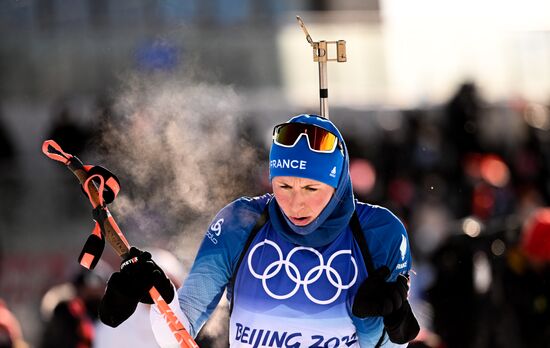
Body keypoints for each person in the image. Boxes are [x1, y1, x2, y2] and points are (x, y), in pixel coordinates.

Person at [99, 114, 420, 347]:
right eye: (284, 186)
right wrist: (160, 297)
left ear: (337, 184)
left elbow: (392, 345)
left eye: (311, 188)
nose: (296, 204)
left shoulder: (380, 232)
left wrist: (378, 321)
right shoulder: (240, 223)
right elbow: (178, 331)